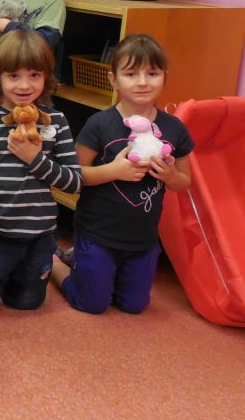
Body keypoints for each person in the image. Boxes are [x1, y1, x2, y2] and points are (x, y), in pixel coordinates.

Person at [50, 35, 192, 314]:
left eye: (152, 73)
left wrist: (170, 176)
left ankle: (89, 267)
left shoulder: (174, 128)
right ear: (113, 79)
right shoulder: (99, 124)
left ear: (165, 77)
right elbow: (75, 175)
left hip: (142, 239)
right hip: (97, 233)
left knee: (134, 305)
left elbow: (185, 182)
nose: (142, 82)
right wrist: (113, 171)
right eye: (131, 74)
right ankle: (55, 261)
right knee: (92, 303)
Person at [0, 30, 82, 314]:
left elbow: (75, 182)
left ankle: (51, 261)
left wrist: (35, 159)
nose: (25, 85)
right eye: (13, 76)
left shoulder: (56, 121)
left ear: (46, 76)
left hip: (40, 234)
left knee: (27, 303)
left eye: (34, 75)